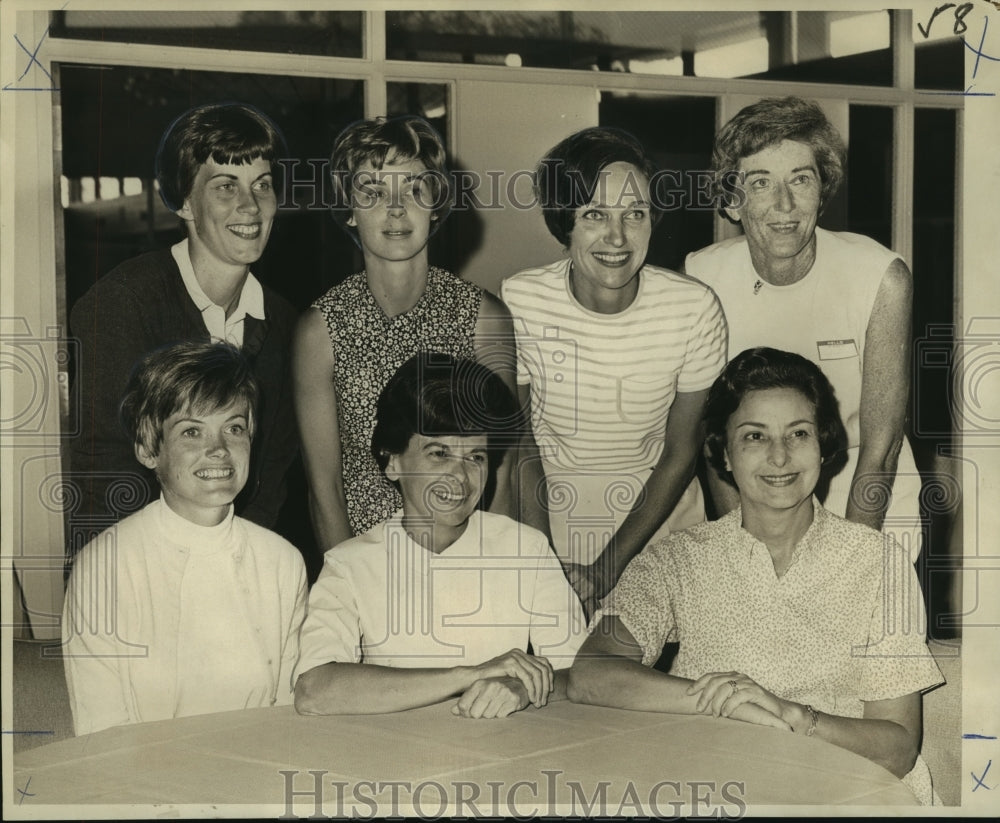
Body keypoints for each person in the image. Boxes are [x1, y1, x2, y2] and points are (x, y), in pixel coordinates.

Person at [568, 347, 944, 805]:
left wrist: (792, 716)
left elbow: (899, 748)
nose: (780, 457)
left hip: (852, 794)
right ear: (724, 454)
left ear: (823, 445)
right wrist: (724, 701)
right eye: (754, 437)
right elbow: (590, 672)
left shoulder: (877, 560)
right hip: (724, 790)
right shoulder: (678, 558)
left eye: (798, 434)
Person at [500, 127, 727, 613]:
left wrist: (606, 568)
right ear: (565, 222)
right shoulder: (521, 301)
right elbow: (520, 445)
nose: (617, 238)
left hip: (658, 532)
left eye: (635, 214)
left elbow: (681, 451)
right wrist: (545, 563)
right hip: (550, 529)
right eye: (594, 215)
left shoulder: (693, 308)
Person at [685, 96, 923, 557]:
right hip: (758, 488)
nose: (785, 204)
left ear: (823, 190)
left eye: (801, 179)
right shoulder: (702, 277)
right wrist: (747, 549)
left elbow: (882, 445)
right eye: (760, 183)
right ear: (733, 203)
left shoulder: (880, 277)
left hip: (865, 490)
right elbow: (711, 433)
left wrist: (848, 561)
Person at [293, 352, 585, 719]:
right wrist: (471, 675)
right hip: (391, 762)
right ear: (393, 460)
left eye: (475, 457)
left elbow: (582, 674)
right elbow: (314, 690)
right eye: (439, 453)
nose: (459, 478)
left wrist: (524, 686)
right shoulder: (350, 564)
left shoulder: (526, 549)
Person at [69, 101, 298, 547]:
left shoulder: (285, 323)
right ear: (184, 202)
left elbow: (271, 475)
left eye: (262, 185)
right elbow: (105, 471)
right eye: (225, 186)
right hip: (138, 563)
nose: (249, 206)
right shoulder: (123, 304)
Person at [293, 115, 516, 553]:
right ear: (349, 210)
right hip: (367, 566)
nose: (395, 209)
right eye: (373, 193)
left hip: (465, 562)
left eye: (413, 189)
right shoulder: (319, 332)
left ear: (435, 202)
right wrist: (353, 589)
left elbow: (504, 472)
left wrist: (491, 578)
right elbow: (324, 490)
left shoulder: (483, 318)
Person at [62, 342, 308, 736]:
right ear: (148, 448)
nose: (219, 449)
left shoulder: (281, 563)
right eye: (192, 431)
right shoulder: (105, 568)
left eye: (234, 428)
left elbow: (283, 720)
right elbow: (101, 739)